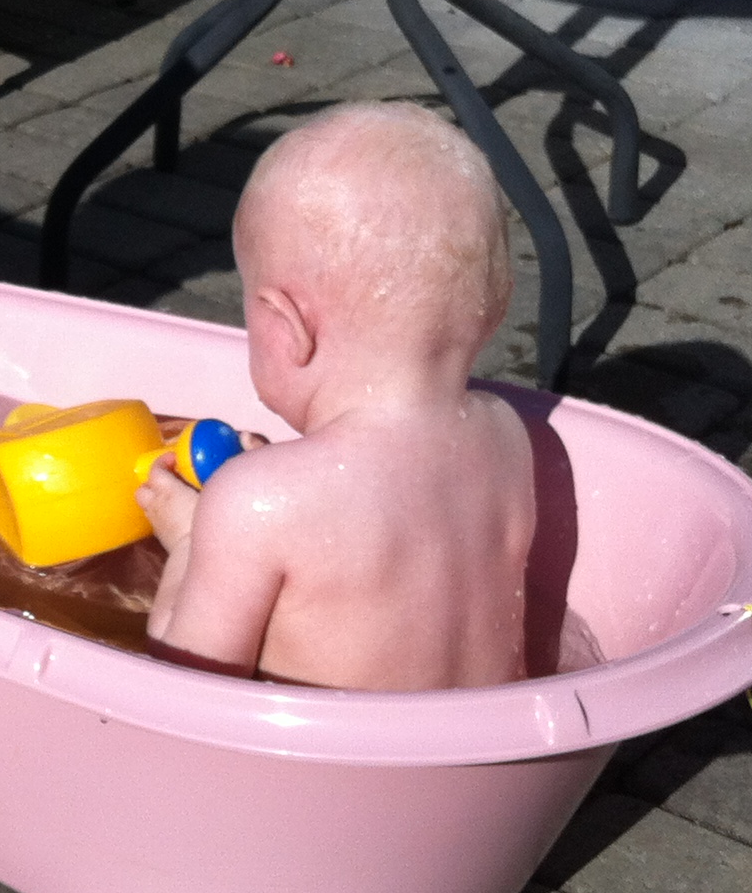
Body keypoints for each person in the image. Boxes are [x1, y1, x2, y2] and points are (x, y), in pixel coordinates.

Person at [136, 102, 534, 691]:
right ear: (495, 311)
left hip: (321, 755)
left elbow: (185, 688)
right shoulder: (507, 434)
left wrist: (195, 544)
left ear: (284, 327)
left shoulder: (254, 503)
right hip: (488, 747)